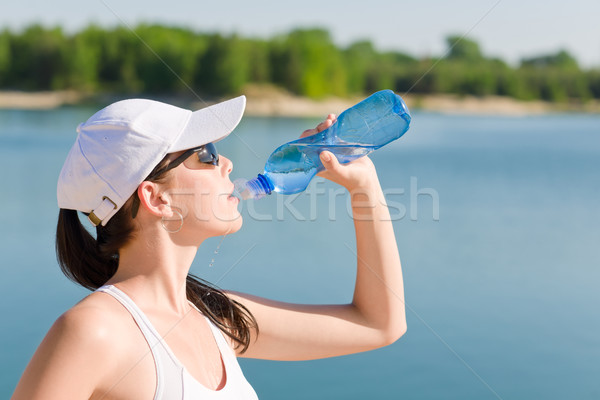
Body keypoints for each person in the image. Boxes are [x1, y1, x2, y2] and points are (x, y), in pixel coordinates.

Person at [12, 95, 406, 399]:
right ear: (156, 198)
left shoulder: (217, 318)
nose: (227, 163)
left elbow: (379, 325)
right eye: (206, 155)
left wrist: (364, 187)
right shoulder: (94, 330)